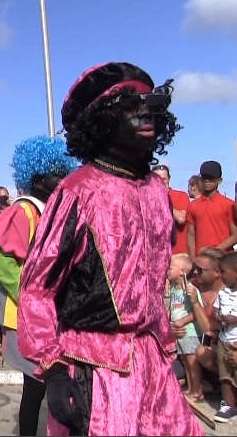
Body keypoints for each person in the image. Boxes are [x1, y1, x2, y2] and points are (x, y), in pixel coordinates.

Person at [17, 62, 202, 435]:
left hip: (154, 367)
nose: (144, 114)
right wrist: (53, 372)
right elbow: (36, 289)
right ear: (102, 119)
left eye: (149, 104)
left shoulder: (156, 191)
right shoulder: (77, 191)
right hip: (96, 374)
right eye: (130, 106)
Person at [0, 134, 77, 436]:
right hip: (24, 317)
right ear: (37, 177)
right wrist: (31, 295)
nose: (62, 179)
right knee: (36, 386)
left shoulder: (51, 208)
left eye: (65, 172)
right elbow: (1, 260)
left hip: (47, 316)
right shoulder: (24, 210)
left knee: (42, 387)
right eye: (57, 173)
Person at [168, 253, 203, 402]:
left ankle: (198, 390)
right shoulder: (173, 290)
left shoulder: (190, 289)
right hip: (180, 334)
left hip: (189, 331)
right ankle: (190, 388)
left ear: (182, 271)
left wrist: (183, 321)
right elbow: (172, 309)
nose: (167, 271)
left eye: (171, 268)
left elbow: (197, 311)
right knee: (185, 361)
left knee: (192, 361)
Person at [186, 161, 237, 259]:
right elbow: (190, 235)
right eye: (204, 178)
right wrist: (193, 259)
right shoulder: (193, 206)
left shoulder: (229, 205)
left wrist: (215, 251)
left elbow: (235, 235)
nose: (207, 181)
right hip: (201, 260)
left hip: (224, 259)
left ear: (219, 180)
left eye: (211, 178)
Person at [214, 252, 237, 423]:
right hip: (224, 338)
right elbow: (216, 308)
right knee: (225, 374)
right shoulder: (223, 292)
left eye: (223, 272)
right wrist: (217, 315)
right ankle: (228, 404)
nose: (220, 275)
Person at [152, 164, 190, 254]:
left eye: (164, 179)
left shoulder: (181, 195)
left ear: (169, 179)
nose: (161, 182)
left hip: (178, 253)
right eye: (158, 179)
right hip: (157, 252)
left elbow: (181, 219)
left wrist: (163, 201)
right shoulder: (148, 198)